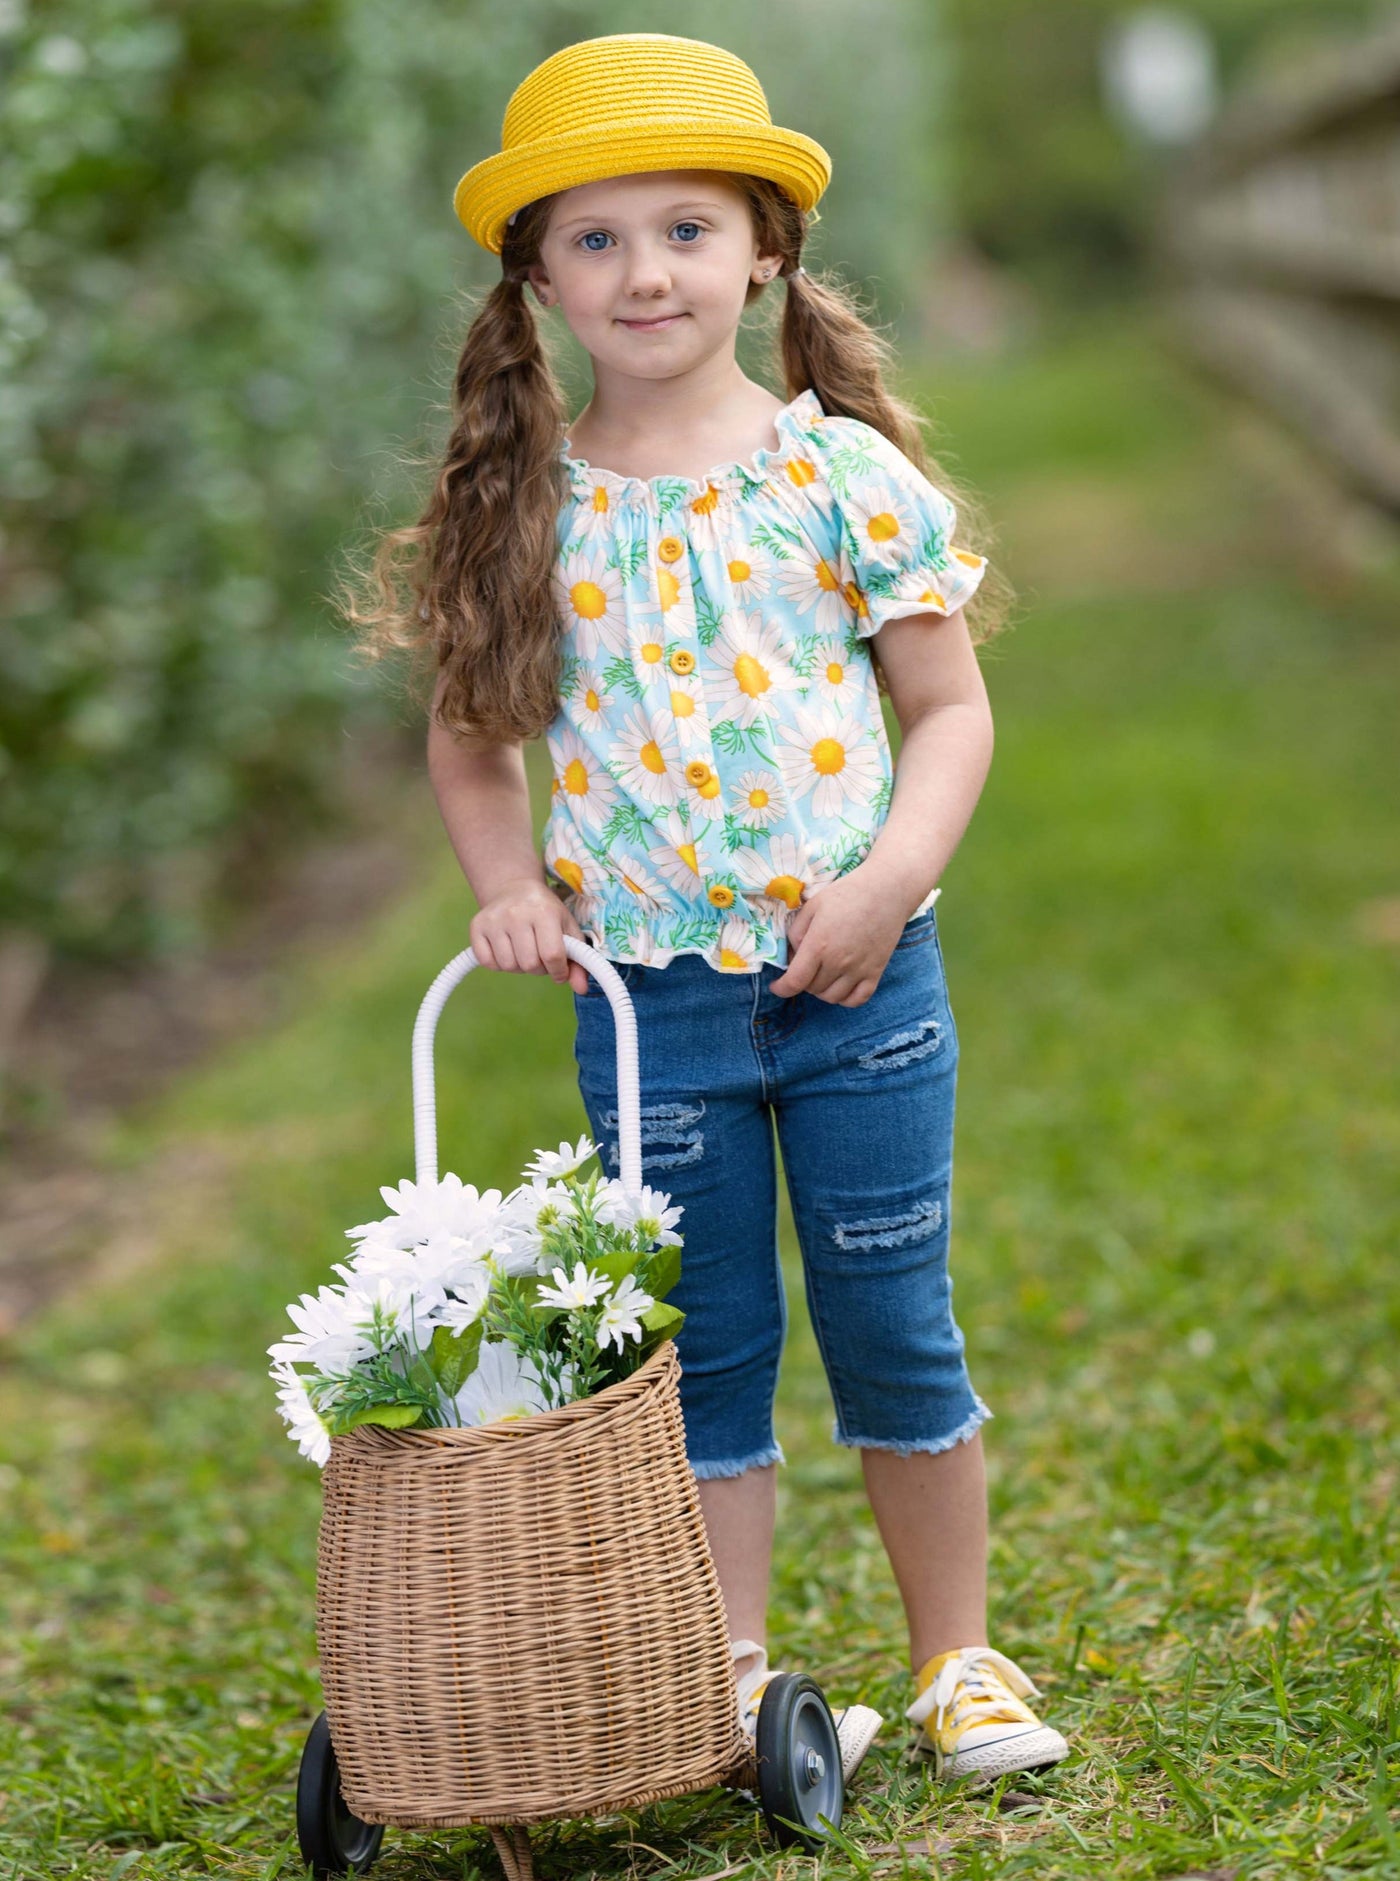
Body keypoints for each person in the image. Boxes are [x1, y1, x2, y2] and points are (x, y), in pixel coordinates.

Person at [342, 31, 1069, 1791]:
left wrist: (888, 883)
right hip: (645, 1005)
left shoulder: (839, 477)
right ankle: (722, 1675)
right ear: (539, 280)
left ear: (765, 252)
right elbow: (472, 743)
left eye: (685, 229)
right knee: (705, 1345)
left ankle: (957, 1656)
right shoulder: (528, 509)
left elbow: (948, 712)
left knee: (894, 1315)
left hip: (860, 985)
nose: (645, 271)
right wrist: (509, 887)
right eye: (595, 240)